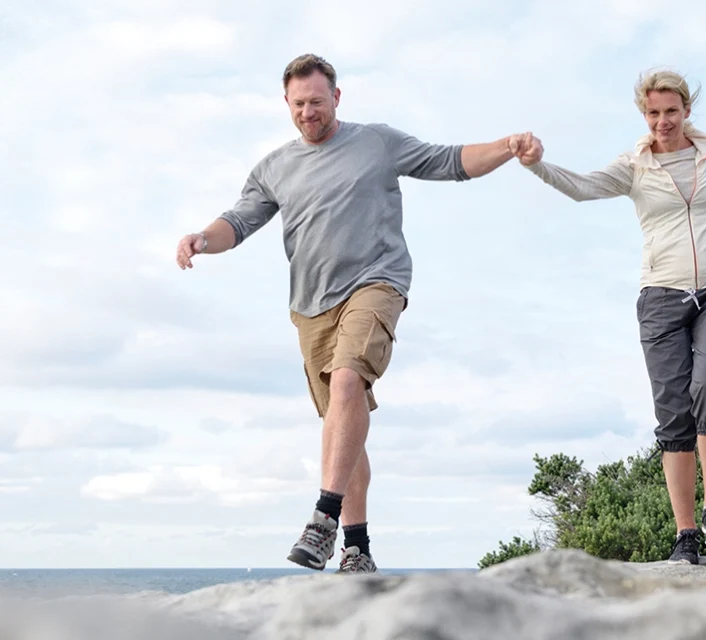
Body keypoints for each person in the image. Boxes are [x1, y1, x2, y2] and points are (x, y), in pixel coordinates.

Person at [175, 53, 531, 574]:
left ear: (336, 98)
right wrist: (203, 239)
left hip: (376, 283)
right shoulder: (274, 167)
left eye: (317, 101)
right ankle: (357, 549)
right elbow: (239, 221)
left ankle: (323, 518)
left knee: (347, 382)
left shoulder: (375, 142)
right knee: (344, 421)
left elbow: (450, 161)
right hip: (310, 307)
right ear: (286, 104)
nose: (308, 112)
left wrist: (506, 146)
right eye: (298, 104)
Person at [511, 69, 706, 565]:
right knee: (674, 413)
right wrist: (537, 165)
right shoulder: (634, 165)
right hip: (660, 297)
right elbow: (581, 188)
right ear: (645, 114)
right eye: (654, 113)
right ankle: (686, 534)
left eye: (671, 111)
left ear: (686, 111)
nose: (663, 121)